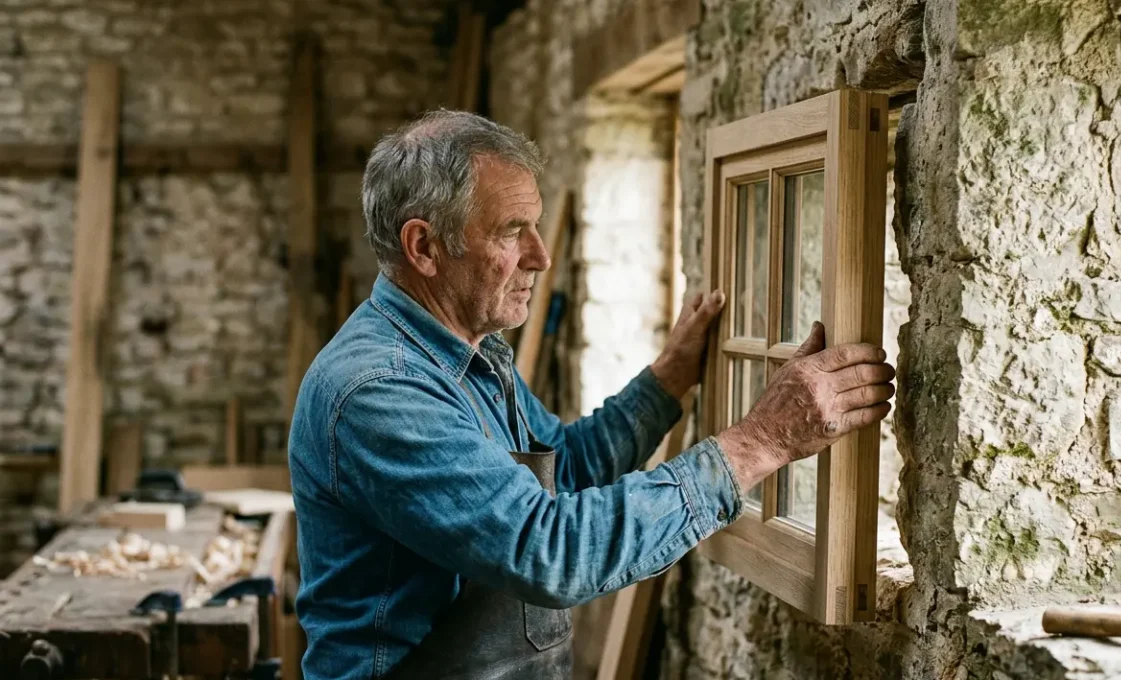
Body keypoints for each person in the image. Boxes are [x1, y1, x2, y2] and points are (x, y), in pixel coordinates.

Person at [288, 110, 896, 680]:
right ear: (423, 247)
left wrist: (667, 380)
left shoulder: (470, 350)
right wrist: (760, 443)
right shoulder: (380, 390)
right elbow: (547, 549)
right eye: (511, 232)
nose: (541, 255)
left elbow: (567, 469)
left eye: (536, 225)